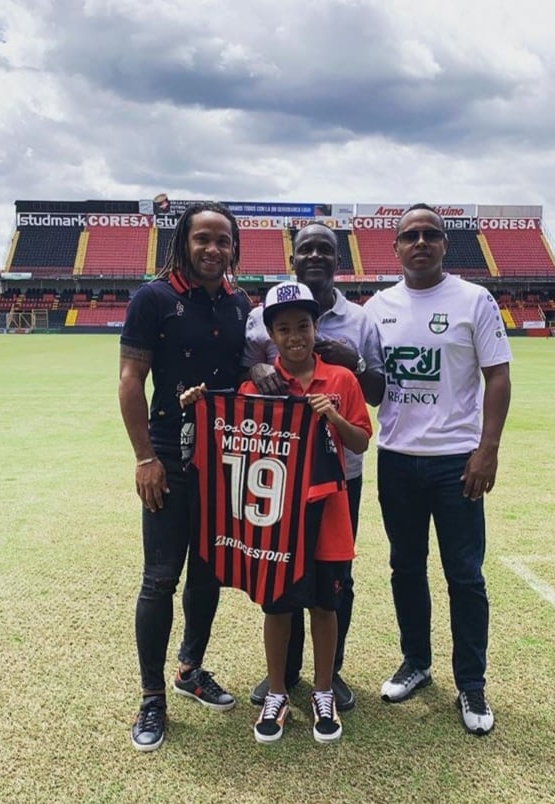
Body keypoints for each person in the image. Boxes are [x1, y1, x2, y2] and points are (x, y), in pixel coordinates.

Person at [181, 281, 371, 744]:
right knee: (278, 605)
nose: (295, 337)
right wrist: (197, 407)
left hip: (328, 512)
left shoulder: (341, 381)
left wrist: (333, 416)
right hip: (276, 521)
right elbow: (227, 433)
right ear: (270, 336)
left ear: (314, 328)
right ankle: (278, 692)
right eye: (283, 329)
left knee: (326, 604)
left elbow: (362, 441)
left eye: (302, 326)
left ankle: (323, 690)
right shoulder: (256, 386)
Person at [363, 203, 512, 736]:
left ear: (444, 244)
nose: (421, 242)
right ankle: (417, 663)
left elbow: (497, 376)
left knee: (465, 576)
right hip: (397, 458)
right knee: (406, 567)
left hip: (456, 462)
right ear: (396, 247)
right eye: (410, 235)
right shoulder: (377, 306)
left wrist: (487, 449)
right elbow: (368, 380)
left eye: (431, 234)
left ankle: (471, 683)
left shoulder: (474, 300)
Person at [118, 201, 252, 752]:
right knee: (160, 578)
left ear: (233, 247)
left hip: (223, 457)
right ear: (184, 242)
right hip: (170, 458)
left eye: (223, 240)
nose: (213, 249)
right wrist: (145, 457)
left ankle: (190, 668)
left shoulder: (239, 301)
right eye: (203, 239)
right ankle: (152, 697)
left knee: (208, 572)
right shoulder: (154, 298)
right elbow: (131, 381)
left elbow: (242, 370)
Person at [243, 223, 384, 712]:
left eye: (326, 248)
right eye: (307, 248)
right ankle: (286, 676)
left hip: (340, 478)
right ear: (294, 256)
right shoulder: (260, 319)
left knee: (332, 576)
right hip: (282, 480)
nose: (317, 255)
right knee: (282, 575)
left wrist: (356, 368)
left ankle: (332, 674)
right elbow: (248, 387)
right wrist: (252, 371)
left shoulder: (360, 322)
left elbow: (376, 395)